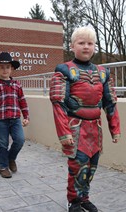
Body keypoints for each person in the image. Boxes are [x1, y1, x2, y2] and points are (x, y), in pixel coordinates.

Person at [49, 26, 121, 212]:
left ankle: (84, 198)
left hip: (94, 129)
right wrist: (64, 133)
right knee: (77, 165)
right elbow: (58, 103)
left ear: (95, 47)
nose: (86, 47)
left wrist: (115, 128)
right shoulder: (64, 70)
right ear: (72, 46)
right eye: (81, 43)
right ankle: (73, 201)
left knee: (92, 166)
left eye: (90, 43)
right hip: (75, 128)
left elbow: (110, 102)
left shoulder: (103, 72)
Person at [0, 52, 29, 178]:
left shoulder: (17, 85)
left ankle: (10, 158)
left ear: (12, 69)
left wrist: (26, 117)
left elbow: (22, 101)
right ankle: (3, 166)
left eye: (7, 67)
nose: (5, 70)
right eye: (1, 67)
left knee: (19, 140)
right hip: (1, 120)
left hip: (15, 119)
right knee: (3, 143)